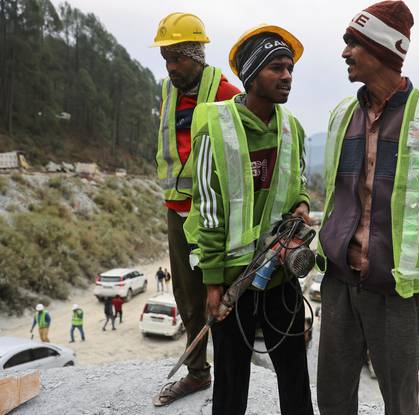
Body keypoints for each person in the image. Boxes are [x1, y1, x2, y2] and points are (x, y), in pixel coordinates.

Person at [316, 2, 419, 414]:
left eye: (353, 44)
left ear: (382, 50)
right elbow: (336, 194)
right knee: (332, 396)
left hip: (395, 289)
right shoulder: (343, 115)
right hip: (340, 281)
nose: (345, 53)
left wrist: (406, 254)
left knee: (400, 402)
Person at [181, 24, 313, 414]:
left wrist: (303, 206)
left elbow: (300, 183)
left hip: (279, 273)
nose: (287, 76)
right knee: (232, 376)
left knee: (293, 371)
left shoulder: (292, 128)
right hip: (232, 280)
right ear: (252, 75)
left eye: (290, 68)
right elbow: (208, 209)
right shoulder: (217, 128)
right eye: (277, 67)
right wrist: (212, 284)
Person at [151, 12, 240, 407]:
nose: (170, 67)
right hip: (176, 209)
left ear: (196, 55)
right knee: (187, 298)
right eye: (165, 59)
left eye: (176, 59)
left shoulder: (224, 93)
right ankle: (198, 373)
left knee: (218, 297)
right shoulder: (169, 91)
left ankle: (231, 378)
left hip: (211, 214)